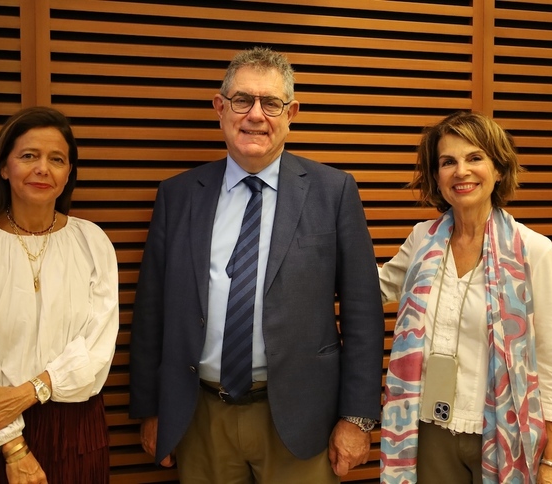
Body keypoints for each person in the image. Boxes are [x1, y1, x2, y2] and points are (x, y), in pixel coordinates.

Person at [129, 46, 384, 483]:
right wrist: (152, 410)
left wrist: (357, 419)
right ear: (220, 107)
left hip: (301, 417)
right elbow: (152, 311)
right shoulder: (179, 196)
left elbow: (363, 314)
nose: (255, 115)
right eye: (243, 100)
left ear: (292, 113)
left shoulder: (333, 191)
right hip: (200, 416)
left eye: (272, 103)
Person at [378, 111, 552, 484]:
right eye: (448, 162)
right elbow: (374, 288)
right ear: (437, 177)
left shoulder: (534, 251)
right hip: (429, 430)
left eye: (475, 158)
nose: (461, 171)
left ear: (498, 169)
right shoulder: (422, 240)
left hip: (506, 434)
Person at [0, 106, 119, 484]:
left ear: (68, 174)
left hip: (75, 428)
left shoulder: (93, 242)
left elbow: (97, 350)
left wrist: (29, 392)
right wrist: (13, 446)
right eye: (28, 156)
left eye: (57, 159)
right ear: (4, 167)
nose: (42, 169)